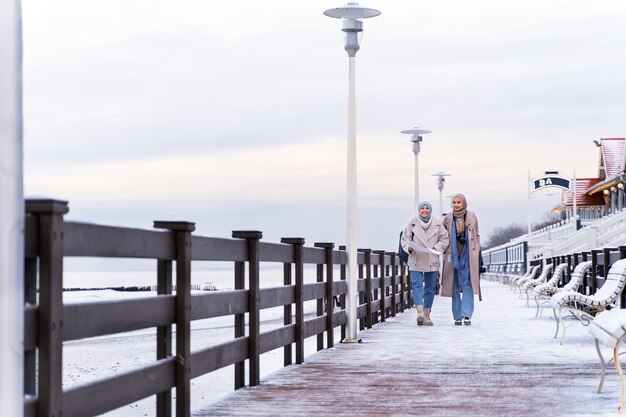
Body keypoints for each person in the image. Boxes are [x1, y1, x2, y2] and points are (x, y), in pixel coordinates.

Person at [401, 201, 449, 326]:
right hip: (416, 257)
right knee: (417, 285)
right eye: (422, 208)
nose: (424, 210)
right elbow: (405, 239)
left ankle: (427, 315)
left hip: (431, 258)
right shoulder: (412, 223)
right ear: (419, 210)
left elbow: (445, 238)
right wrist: (409, 248)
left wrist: (435, 248)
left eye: (427, 208)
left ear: (430, 210)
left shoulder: (438, 224)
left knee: (430, 288)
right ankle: (420, 313)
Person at [441, 193, 482, 326]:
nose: (456, 205)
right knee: (455, 285)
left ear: (464, 203)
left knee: (468, 284)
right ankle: (457, 316)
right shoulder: (447, 218)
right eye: (454, 202)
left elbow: (476, 234)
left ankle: (467, 314)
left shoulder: (471, 216)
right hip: (453, 255)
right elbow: (442, 236)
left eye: (459, 202)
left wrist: (476, 248)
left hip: (469, 255)